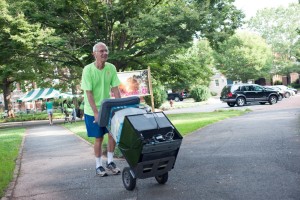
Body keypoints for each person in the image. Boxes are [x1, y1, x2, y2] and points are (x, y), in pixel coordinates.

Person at [81, 42, 121, 177]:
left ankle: (110, 162)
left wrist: (120, 107)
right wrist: (96, 113)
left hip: (108, 107)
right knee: (98, 137)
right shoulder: (88, 70)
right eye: (101, 51)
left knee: (112, 135)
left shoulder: (111, 68)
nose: (104, 53)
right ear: (94, 54)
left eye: (106, 51)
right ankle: (98, 165)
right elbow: (89, 93)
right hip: (92, 109)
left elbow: (115, 89)